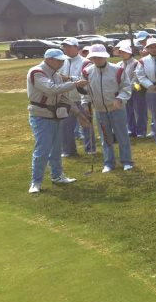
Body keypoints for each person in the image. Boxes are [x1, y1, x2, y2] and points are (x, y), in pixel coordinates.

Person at [26, 48, 89, 193]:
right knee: (42, 149)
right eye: (58, 60)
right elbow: (51, 89)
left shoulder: (56, 75)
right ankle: (36, 182)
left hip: (55, 115)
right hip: (41, 116)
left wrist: (79, 115)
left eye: (62, 60)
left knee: (55, 149)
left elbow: (64, 98)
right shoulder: (36, 72)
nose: (61, 63)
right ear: (48, 59)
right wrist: (75, 84)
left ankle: (57, 176)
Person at [81, 44, 134, 172]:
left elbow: (126, 87)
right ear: (91, 58)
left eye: (100, 57)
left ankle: (127, 161)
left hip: (117, 109)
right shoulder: (87, 72)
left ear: (105, 57)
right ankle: (109, 163)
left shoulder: (118, 70)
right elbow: (85, 91)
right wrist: (85, 104)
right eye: (94, 57)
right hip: (100, 110)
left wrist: (120, 99)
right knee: (106, 138)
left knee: (122, 136)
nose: (97, 59)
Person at [58, 38, 96, 157]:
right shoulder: (61, 62)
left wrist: (68, 78)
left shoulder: (86, 62)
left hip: (82, 98)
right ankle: (68, 150)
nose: (66, 49)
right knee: (65, 127)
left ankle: (90, 148)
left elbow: (86, 80)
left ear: (76, 47)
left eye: (69, 46)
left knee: (86, 124)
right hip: (66, 99)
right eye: (65, 46)